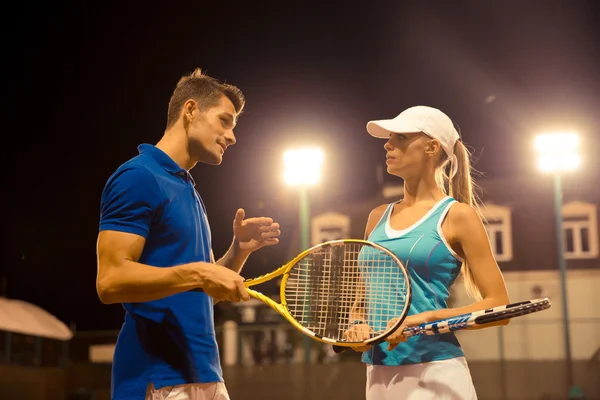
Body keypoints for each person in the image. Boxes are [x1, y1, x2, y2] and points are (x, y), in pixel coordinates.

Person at [96, 68, 281, 400]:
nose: (233, 136)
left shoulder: (186, 188)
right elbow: (109, 281)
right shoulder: (138, 177)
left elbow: (205, 289)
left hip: (204, 371)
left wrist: (238, 251)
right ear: (191, 110)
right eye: (225, 121)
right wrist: (198, 271)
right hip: (157, 375)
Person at [343, 105, 510, 400]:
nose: (388, 144)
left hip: (435, 372)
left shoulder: (458, 216)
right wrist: (357, 324)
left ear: (432, 146)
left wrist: (424, 319)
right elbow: (361, 299)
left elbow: (499, 307)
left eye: (402, 137)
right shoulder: (377, 216)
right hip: (377, 372)